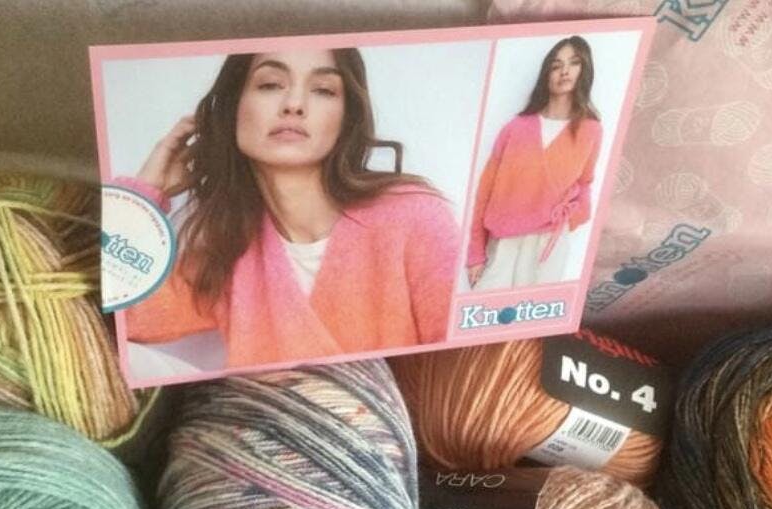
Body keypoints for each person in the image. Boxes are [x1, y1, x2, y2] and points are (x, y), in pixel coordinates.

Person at [118, 48, 459, 368]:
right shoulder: (228, 251)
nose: (294, 104)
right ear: (233, 107)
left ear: (346, 117)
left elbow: (460, 362)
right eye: (270, 85)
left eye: (323, 90)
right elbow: (124, 316)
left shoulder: (415, 215)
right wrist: (145, 193)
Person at [467, 36, 602, 291]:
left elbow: (585, 182)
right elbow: (484, 193)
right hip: (504, 241)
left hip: (549, 243)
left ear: (584, 69)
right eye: (556, 65)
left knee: (532, 314)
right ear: (546, 74)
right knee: (488, 308)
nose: (564, 71)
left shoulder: (591, 129)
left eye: (574, 63)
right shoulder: (515, 128)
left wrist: (573, 218)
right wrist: (475, 253)